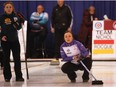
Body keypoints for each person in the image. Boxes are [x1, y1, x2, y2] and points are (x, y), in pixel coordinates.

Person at [0, 1, 24, 82]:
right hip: (5, 41)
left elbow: (19, 28)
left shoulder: (16, 16)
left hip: (14, 41)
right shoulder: (1, 17)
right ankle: (7, 76)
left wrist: (20, 21)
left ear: (12, 8)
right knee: (6, 59)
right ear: (4, 9)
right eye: (7, 7)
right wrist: (1, 37)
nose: (9, 8)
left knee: (17, 59)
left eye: (10, 7)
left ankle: (19, 76)